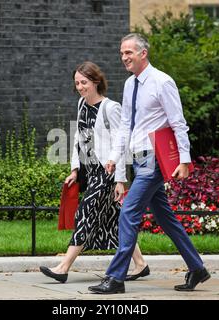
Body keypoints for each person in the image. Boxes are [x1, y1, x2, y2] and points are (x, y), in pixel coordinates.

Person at [88, 34, 210, 294]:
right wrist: (114, 156)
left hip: (154, 159)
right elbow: (125, 126)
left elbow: (178, 122)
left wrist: (185, 159)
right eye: (122, 53)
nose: (124, 57)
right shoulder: (130, 84)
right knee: (166, 219)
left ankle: (115, 277)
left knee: (128, 212)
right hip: (138, 158)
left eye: (129, 52)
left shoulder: (162, 82)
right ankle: (197, 268)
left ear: (144, 53)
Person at [39, 61, 149, 284]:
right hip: (90, 171)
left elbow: (121, 143)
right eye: (77, 83)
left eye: (84, 82)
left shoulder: (110, 108)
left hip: (106, 172)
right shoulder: (81, 104)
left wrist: (120, 180)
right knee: (115, 219)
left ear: (96, 82)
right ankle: (140, 264)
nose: (80, 87)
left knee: (85, 212)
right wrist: (75, 169)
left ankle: (63, 267)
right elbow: (79, 138)